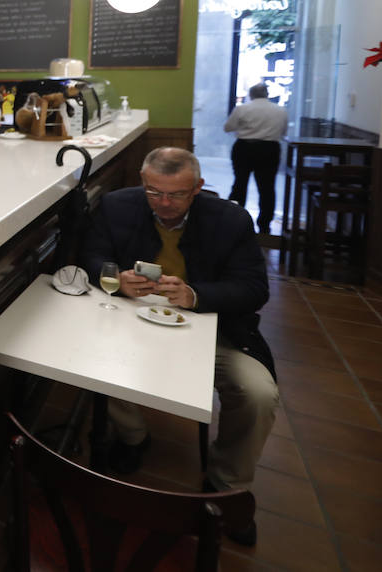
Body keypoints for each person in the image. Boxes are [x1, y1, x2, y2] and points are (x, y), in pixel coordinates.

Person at [81, 147, 277, 546]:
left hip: (214, 327)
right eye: (154, 192)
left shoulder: (231, 220)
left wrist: (195, 294)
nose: (164, 204)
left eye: (177, 194)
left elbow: (255, 288)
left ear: (199, 188)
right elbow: (90, 255)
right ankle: (133, 437)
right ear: (142, 181)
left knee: (258, 392)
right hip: (133, 320)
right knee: (98, 358)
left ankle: (227, 485)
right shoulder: (117, 206)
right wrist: (116, 278)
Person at [223, 82, 288, 235]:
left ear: (251, 95)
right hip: (270, 149)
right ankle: (265, 225)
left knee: (239, 184)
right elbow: (283, 132)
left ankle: (234, 220)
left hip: (244, 148)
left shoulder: (242, 108)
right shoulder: (280, 110)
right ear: (267, 94)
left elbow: (228, 128)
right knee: (267, 188)